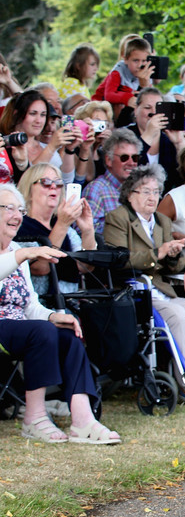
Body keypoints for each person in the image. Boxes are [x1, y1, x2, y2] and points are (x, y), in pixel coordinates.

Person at [0, 183, 121, 444]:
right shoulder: (18, 255)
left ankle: (83, 420)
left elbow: (30, 305)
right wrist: (24, 254)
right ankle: (34, 418)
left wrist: (54, 316)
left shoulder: (14, 253)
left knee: (67, 332)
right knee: (41, 331)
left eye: (20, 210)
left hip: (20, 327)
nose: (17, 215)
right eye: (9, 208)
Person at [104, 164, 185, 406]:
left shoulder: (161, 221)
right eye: (146, 192)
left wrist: (175, 254)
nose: (153, 197)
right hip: (134, 290)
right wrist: (158, 252)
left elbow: (173, 268)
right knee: (176, 314)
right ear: (130, 194)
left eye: (156, 192)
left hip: (160, 289)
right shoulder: (118, 218)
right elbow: (118, 259)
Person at [15, 163, 96, 296]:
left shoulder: (66, 228)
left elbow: (85, 266)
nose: (53, 186)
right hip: (40, 305)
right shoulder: (20, 225)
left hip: (70, 303)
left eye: (58, 183)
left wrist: (88, 230)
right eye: (45, 182)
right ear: (29, 190)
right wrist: (62, 224)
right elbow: (41, 268)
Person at [82, 128, 142, 234]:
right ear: (108, 160)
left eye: (135, 157)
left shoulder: (140, 189)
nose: (131, 162)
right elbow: (83, 231)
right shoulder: (96, 189)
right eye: (124, 157)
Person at [92, 36, 154, 123]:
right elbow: (109, 94)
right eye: (136, 61)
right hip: (100, 106)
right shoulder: (118, 71)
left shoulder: (147, 72)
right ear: (125, 59)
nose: (140, 65)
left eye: (144, 61)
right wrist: (127, 98)